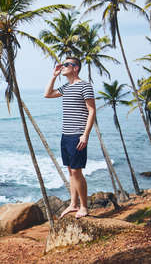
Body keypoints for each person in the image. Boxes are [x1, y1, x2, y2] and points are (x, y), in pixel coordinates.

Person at [44, 56, 96, 219]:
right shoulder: (66, 87)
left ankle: (84, 207)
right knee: (70, 171)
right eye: (63, 64)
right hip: (66, 134)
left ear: (76, 68)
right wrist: (53, 76)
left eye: (67, 65)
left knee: (76, 171)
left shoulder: (85, 86)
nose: (63, 67)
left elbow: (92, 111)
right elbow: (47, 94)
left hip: (77, 135)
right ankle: (73, 204)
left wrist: (85, 135)